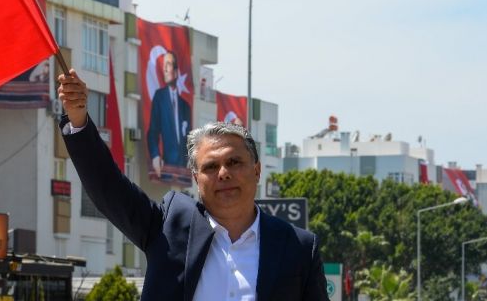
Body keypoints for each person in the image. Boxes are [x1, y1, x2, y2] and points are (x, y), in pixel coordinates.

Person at [57, 70, 328, 300]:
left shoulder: (298, 247)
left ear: (257, 171)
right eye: (211, 166)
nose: (223, 173)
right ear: (196, 179)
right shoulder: (168, 227)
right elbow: (108, 187)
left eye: (234, 162)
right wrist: (78, 119)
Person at [147, 51, 191, 177]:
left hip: (183, 171)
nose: (165, 69)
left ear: (176, 72)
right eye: (164, 66)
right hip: (167, 168)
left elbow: (190, 137)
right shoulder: (159, 97)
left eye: (168, 64)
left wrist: (190, 158)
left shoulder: (185, 106)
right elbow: (153, 132)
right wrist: (155, 155)